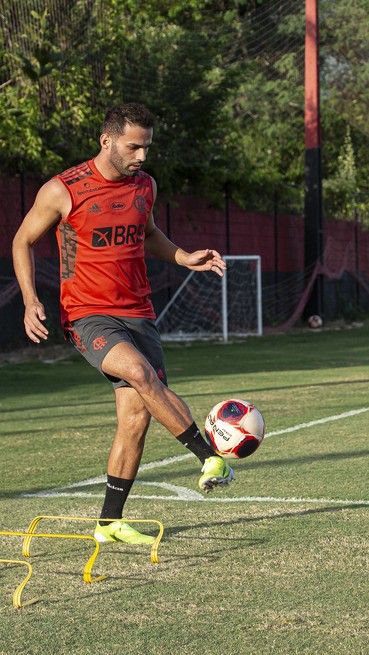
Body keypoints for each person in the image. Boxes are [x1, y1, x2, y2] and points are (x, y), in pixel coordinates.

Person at [12, 102, 236, 546]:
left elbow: (148, 234)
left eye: (147, 147)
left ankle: (109, 522)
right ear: (107, 140)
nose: (141, 156)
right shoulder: (64, 189)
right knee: (139, 373)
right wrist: (30, 300)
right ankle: (210, 457)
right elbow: (22, 240)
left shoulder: (144, 187)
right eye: (134, 146)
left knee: (135, 418)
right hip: (87, 314)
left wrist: (184, 257)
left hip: (138, 312)